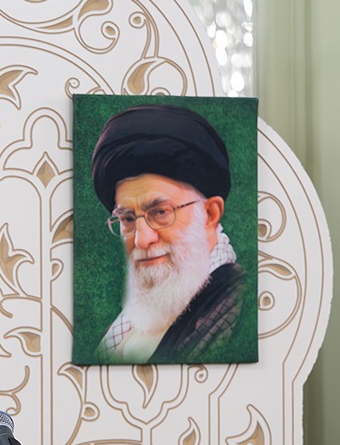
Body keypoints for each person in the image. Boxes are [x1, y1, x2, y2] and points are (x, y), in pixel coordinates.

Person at [90, 103, 245, 363]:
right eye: (127, 219)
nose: (142, 239)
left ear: (209, 214)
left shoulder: (238, 306)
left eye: (160, 212)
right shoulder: (127, 324)